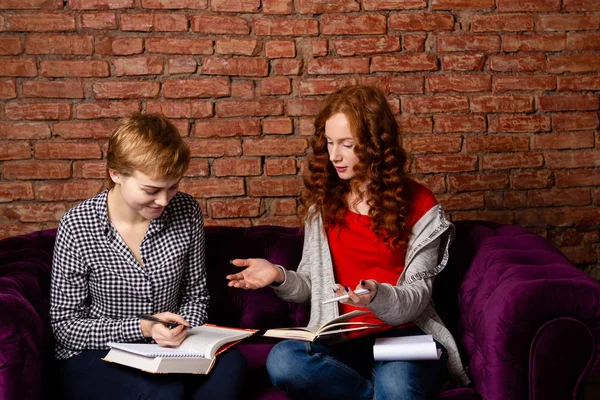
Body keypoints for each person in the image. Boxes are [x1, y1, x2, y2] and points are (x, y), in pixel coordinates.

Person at [226, 85, 470, 399]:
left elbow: (417, 299)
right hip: (344, 342)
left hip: (404, 338)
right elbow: (314, 287)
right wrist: (278, 275)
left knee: (396, 387)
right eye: (329, 143)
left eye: (347, 144)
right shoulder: (325, 204)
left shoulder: (421, 205)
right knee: (283, 360)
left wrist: (375, 296)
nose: (334, 156)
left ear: (375, 145)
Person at [50, 114, 246, 400]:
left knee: (232, 365)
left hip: (170, 350)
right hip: (98, 353)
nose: (164, 201)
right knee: (163, 393)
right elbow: (66, 327)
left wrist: (178, 328)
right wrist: (145, 327)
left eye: (173, 186)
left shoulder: (186, 211)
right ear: (116, 173)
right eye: (151, 190)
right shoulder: (77, 226)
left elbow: (196, 297)